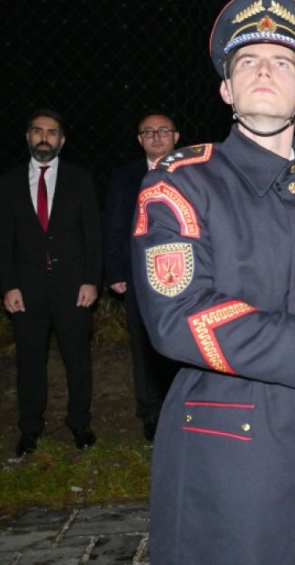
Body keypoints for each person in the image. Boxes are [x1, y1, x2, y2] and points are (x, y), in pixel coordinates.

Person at [130, 0, 295, 565]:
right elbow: (177, 318)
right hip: (234, 449)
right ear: (226, 89)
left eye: (283, 62)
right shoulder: (181, 183)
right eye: (247, 61)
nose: (264, 71)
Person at [0, 109, 101, 455]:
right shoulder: (9, 181)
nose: (45, 138)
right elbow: (3, 239)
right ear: (28, 136)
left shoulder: (80, 178)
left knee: (77, 358)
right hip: (26, 289)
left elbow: (93, 234)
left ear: (62, 141)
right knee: (29, 361)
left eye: (52, 132)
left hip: (73, 286)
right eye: (38, 131)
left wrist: (91, 280)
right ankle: (29, 428)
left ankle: (80, 423)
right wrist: (9, 285)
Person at [104, 111, 180, 441]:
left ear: (176, 136)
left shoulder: (194, 171)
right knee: (144, 344)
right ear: (139, 140)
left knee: (183, 339)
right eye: (148, 132)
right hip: (139, 275)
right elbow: (114, 225)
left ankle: (184, 408)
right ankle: (151, 412)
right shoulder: (125, 176)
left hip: (188, 274)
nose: (156, 137)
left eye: (163, 130)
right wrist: (116, 271)